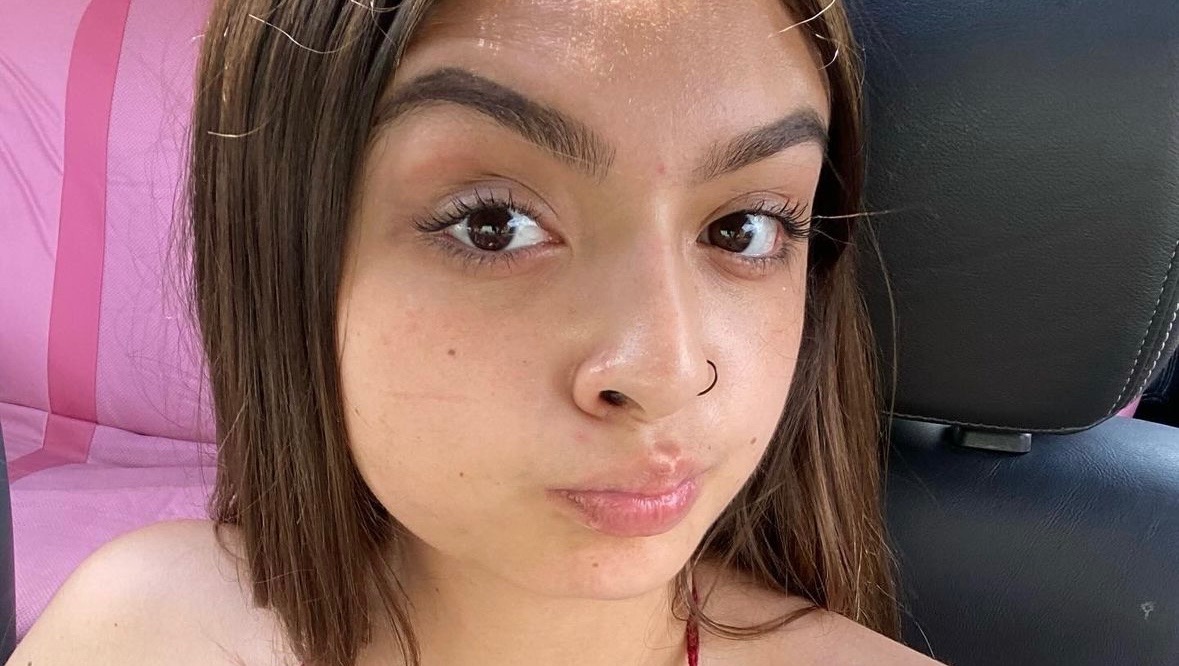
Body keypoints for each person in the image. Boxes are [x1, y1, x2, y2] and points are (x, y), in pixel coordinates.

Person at [9, 0, 947, 664]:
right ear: (287, 256)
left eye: (742, 229)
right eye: (492, 225)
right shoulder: (141, 632)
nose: (665, 371)